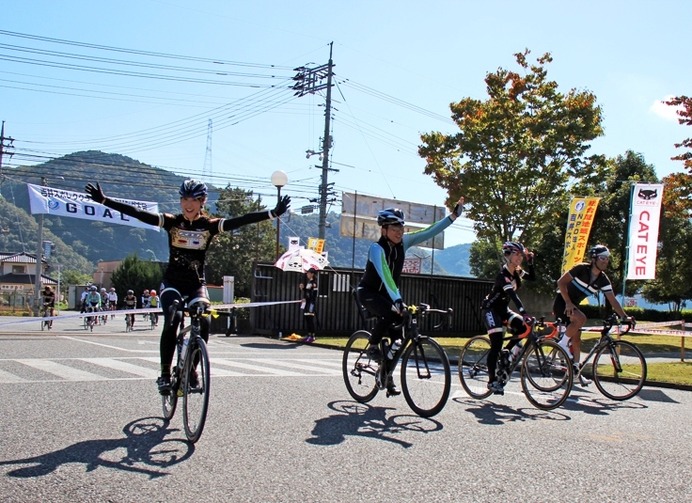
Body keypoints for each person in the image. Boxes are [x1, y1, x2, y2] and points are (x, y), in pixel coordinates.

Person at [85, 179, 291, 394]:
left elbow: (240, 220)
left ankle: (191, 370)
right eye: (184, 199)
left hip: (196, 284)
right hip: (172, 283)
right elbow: (138, 213)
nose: (188, 204)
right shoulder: (172, 222)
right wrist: (104, 200)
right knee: (173, 317)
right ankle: (164, 374)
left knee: (205, 321)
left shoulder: (209, 226)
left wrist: (272, 213)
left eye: (193, 199)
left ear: (202, 201)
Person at [356, 197, 464, 396]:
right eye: (394, 229)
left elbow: (428, 232)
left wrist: (453, 216)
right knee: (389, 314)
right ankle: (372, 346)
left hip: (390, 295)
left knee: (398, 339)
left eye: (401, 229)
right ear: (384, 230)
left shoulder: (404, 243)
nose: (399, 233)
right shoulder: (376, 248)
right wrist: (398, 300)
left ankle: (386, 375)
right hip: (369, 293)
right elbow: (386, 276)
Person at [553, 244, 632, 386]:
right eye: (602, 258)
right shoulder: (581, 269)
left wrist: (624, 316)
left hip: (573, 306)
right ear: (594, 258)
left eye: (607, 259)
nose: (605, 261)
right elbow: (561, 282)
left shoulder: (603, 279)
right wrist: (568, 303)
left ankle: (575, 373)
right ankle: (562, 344)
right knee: (582, 318)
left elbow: (612, 299)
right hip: (562, 302)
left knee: (577, 341)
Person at [481, 241, 535, 395]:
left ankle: (507, 351)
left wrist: (531, 262)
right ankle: (492, 381)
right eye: (516, 254)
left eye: (521, 255)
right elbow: (514, 296)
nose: (520, 258)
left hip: (503, 310)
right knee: (496, 343)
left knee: (523, 327)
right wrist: (524, 313)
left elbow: (532, 277)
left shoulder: (517, 272)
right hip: (491, 310)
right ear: (508, 255)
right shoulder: (502, 275)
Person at [299, 267, 318, 343]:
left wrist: (306, 298)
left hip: (311, 303)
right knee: (307, 318)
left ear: (312, 274)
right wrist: (303, 288)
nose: (307, 274)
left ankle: (312, 336)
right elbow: (307, 292)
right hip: (307, 303)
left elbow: (312, 294)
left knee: (310, 319)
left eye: (309, 273)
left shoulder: (314, 283)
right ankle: (308, 334)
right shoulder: (309, 282)